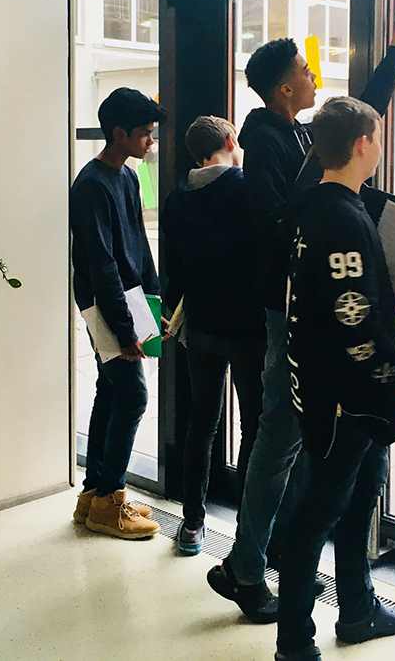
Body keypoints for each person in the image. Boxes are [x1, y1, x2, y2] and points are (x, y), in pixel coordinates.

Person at [209, 0, 395, 621]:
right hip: (291, 312)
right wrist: (334, 212)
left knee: (301, 441)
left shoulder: (300, 134)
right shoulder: (266, 141)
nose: (312, 76)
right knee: (279, 435)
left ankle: (278, 557)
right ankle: (249, 566)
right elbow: (278, 226)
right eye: (304, 70)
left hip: (311, 305)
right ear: (283, 88)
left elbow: (359, 118)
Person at [275, 96, 395, 661]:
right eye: (379, 137)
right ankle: (294, 641)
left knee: (361, 497)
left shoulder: (311, 204)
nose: (382, 147)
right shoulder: (343, 218)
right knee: (316, 514)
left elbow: (338, 296)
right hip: (346, 398)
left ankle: (358, 609)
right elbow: (357, 325)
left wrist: (394, 281)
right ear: (363, 144)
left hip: (326, 387)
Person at [160, 116, 266, 556]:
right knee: (253, 426)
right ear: (230, 139)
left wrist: (175, 314)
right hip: (247, 327)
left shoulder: (176, 197)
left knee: (201, 422)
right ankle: (247, 531)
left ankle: (191, 523)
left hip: (200, 326)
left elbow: (173, 267)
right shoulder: (245, 188)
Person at [70, 87, 166, 540]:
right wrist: (126, 331)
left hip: (129, 300)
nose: (151, 141)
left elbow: (139, 245)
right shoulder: (91, 185)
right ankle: (109, 502)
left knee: (110, 392)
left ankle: (94, 495)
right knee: (132, 397)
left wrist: (154, 300)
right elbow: (101, 264)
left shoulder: (127, 177)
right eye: (145, 133)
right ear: (119, 133)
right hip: (103, 305)